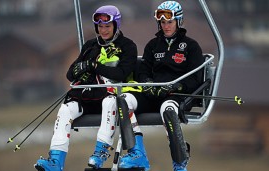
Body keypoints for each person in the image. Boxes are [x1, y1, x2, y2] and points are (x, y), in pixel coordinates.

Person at [34, 5, 138, 171]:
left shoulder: (127, 46)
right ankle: (55, 161)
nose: (103, 30)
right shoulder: (90, 46)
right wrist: (80, 70)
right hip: (89, 97)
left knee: (109, 103)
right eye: (100, 26)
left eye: (107, 26)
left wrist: (96, 66)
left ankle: (100, 153)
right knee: (66, 109)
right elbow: (70, 74)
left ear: (116, 26)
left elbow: (122, 73)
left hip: (111, 97)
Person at [119, 1, 205, 171]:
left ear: (178, 22)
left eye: (170, 22)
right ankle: (138, 154)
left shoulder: (190, 46)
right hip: (154, 94)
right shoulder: (153, 45)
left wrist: (176, 87)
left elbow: (195, 79)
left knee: (168, 109)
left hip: (175, 95)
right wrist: (149, 84)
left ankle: (179, 163)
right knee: (123, 100)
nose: (166, 26)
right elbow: (143, 72)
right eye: (163, 23)